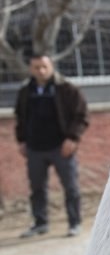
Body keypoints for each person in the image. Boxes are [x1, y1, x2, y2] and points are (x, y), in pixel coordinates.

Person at [14, 54, 88, 238]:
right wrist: (21, 140)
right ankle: (40, 223)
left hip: (61, 147)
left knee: (71, 187)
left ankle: (74, 223)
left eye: (44, 66)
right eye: (36, 67)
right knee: (37, 188)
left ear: (51, 66)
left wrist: (72, 138)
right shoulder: (25, 91)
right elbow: (20, 118)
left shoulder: (66, 89)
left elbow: (82, 116)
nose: (41, 70)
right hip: (35, 148)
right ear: (31, 69)